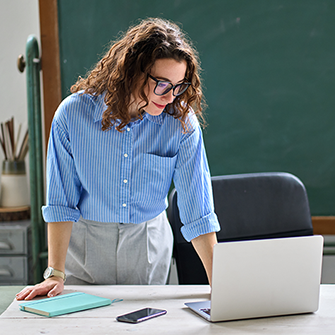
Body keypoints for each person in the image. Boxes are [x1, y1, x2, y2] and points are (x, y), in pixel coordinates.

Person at [16, 17, 220, 301]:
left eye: (179, 86)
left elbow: (198, 210)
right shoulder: (72, 116)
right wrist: (55, 273)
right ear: (133, 72)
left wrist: (221, 284)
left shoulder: (181, 123)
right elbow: (61, 202)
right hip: (85, 246)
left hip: (148, 245)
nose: (171, 97)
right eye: (162, 84)